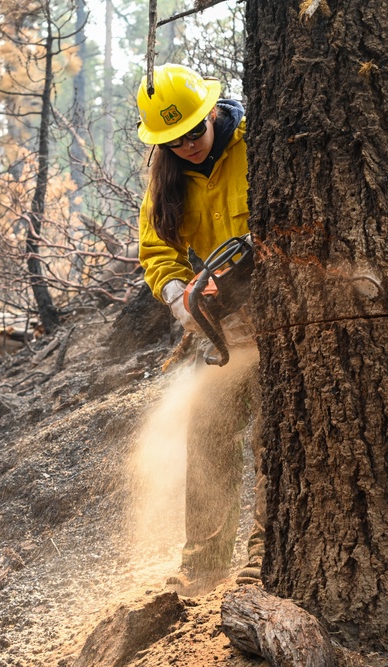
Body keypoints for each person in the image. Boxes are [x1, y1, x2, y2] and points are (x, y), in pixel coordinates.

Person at [135, 63, 264, 591]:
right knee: (208, 432)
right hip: (223, 323)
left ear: (212, 110)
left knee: (278, 433)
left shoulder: (257, 143)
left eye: (192, 130)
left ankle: (267, 554)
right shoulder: (167, 177)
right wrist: (178, 296)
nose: (186, 143)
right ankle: (205, 564)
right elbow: (156, 248)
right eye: (173, 138)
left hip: (282, 310)